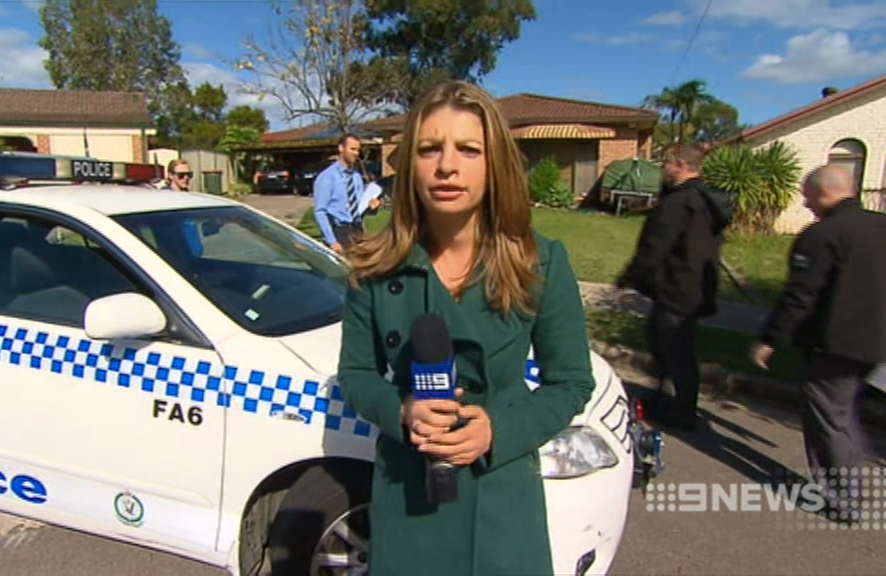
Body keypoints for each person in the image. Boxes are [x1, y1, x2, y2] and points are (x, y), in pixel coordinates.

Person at [336, 80, 596, 576]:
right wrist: (401, 411)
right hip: (409, 496)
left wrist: (498, 430)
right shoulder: (373, 266)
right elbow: (356, 375)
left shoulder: (540, 262)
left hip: (502, 498)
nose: (447, 166)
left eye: (468, 149)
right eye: (429, 149)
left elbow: (571, 382)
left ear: (494, 163)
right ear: (409, 165)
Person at [750, 164, 886, 523]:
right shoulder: (879, 226)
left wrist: (770, 338)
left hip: (837, 343)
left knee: (828, 418)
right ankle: (854, 484)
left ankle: (843, 498)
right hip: (876, 343)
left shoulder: (823, 235)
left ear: (823, 193)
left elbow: (801, 295)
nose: (805, 203)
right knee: (843, 412)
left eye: (807, 196)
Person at [616, 144, 731, 430]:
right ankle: (669, 398)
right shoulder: (704, 200)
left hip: (677, 288)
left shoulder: (679, 202)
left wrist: (630, 280)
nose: (662, 170)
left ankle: (682, 410)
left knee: (674, 350)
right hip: (693, 287)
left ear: (680, 166)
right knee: (668, 346)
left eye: (666, 164)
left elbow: (655, 246)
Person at [313, 134, 382, 254]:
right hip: (339, 231)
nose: (356, 153)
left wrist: (372, 205)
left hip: (357, 230)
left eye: (358, 150)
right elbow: (320, 211)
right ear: (341, 148)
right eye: (352, 149)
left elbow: (360, 206)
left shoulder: (356, 177)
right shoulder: (327, 177)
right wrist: (332, 241)